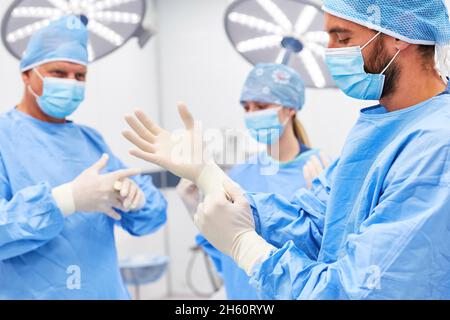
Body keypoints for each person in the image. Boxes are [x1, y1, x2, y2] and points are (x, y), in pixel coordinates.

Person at [123, 0, 450, 299]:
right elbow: (310, 222)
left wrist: (246, 247)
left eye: (343, 38)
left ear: (400, 36)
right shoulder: (378, 128)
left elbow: (359, 291)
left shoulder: (437, 144)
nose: (331, 53)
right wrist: (208, 176)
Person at [0, 16, 167, 299]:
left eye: (80, 76)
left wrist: (135, 199)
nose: (71, 83)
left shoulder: (91, 141)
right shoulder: (5, 138)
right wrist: (66, 200)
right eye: (58, 73)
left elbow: (151, 216)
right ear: (26, 74)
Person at [177, 63, 330, 299]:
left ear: (289, 108)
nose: (251, 115)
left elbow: (328, 257)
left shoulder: (320, 170)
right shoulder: (239, 174)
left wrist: (324, 206)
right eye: (246, 107)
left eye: (260, 106)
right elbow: (225, 254)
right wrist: (193, 206)